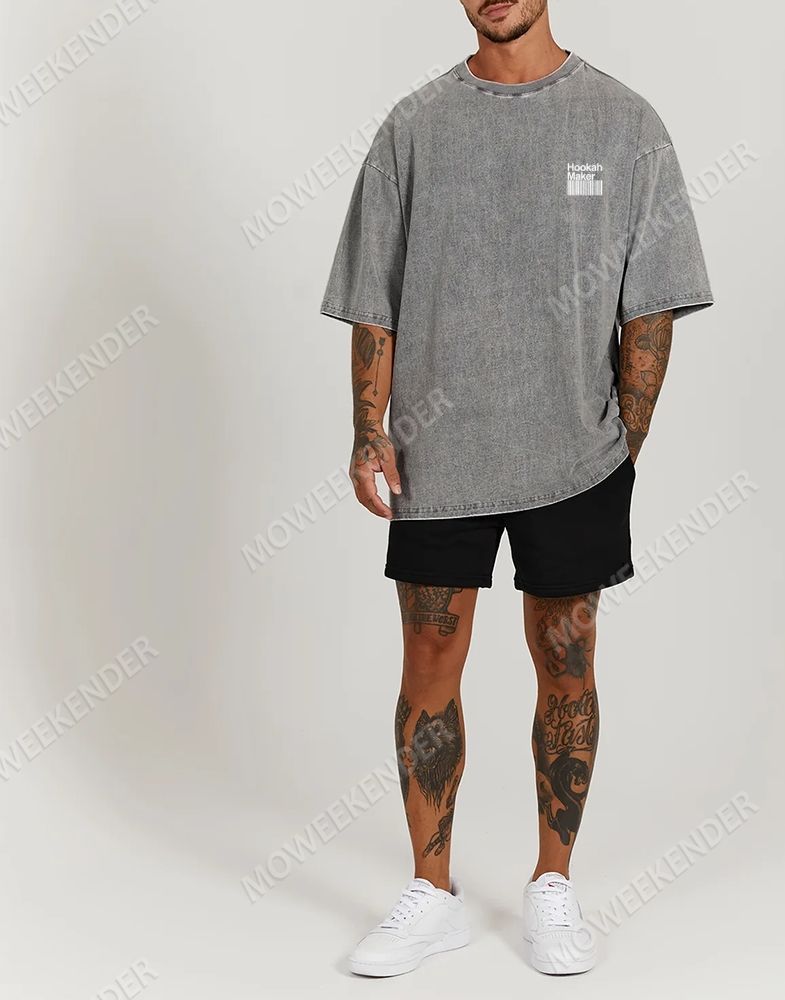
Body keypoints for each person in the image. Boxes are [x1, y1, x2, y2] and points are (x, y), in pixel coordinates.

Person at [321, 0, 712, 977]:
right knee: (428, 665)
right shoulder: (415, 127)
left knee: (566, 663)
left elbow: (653, 299)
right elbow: (372, 295)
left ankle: (552, 883)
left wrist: (622, 444)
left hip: (576, 457)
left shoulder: (623, 123)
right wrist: (368, 427)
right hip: (437, 453)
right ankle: (432, 891)